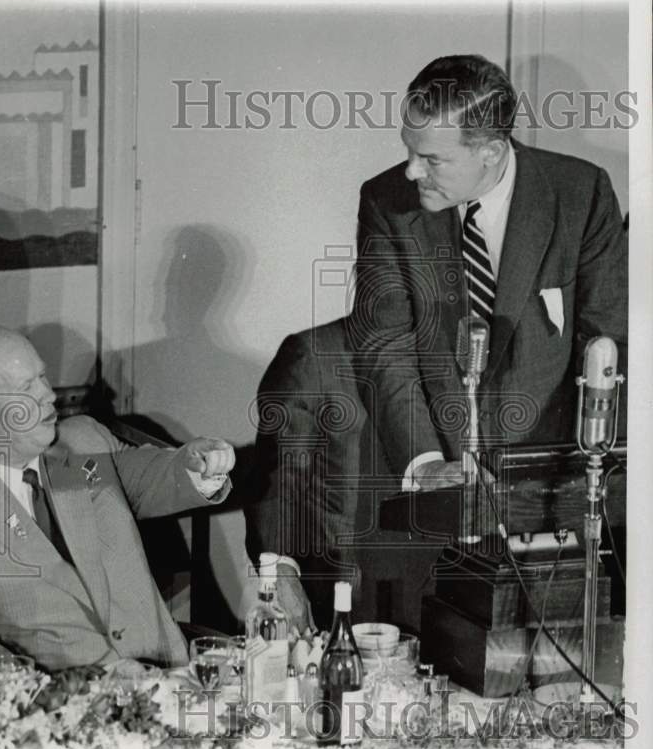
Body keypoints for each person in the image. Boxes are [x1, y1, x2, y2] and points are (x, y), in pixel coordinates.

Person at [354, 53, 628, 490]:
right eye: (409, 149)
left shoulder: (581, 194)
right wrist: (425, 466)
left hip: (554, 476)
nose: (412, 170)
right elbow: (386, 344)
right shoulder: (386, 201)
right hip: (435, 469)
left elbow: (609, 343)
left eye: (432, 159)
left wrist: (584, 475)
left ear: (491, 151)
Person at [0, 325, 236, 671]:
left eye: (42, 376)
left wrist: (197, 465)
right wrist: (16, 679)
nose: (48, 394)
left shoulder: (83, 441)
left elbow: (154, 473)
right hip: (65, 705)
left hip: (167, 672)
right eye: (25, 387)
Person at [244, 315, 440, 632]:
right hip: (346, 593)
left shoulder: (446, 356)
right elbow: (277, 480)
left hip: (434, 592)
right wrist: (280, 574)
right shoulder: (314, 354)